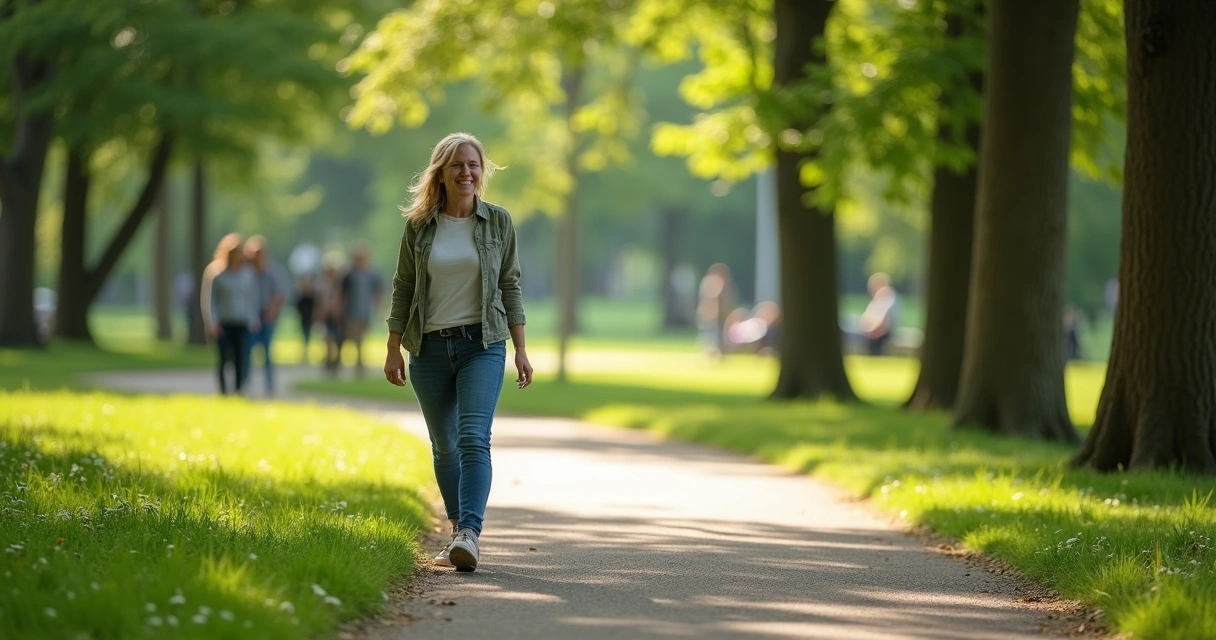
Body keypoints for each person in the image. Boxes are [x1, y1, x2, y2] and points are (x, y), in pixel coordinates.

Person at [383, 132, 532, 573]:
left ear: (481, 172)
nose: (467, 173)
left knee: (472, 437)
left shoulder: (498, 222)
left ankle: (470, 532)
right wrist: (393, 348)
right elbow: (403, 287)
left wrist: (521, 348)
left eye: (473, 165)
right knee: (445, 445)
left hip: (482, 344)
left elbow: (511, 285)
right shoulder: (419, 226)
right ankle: (455, 532)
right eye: (457, 166)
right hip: (428, 347)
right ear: (442, 174)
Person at [200, 234, 259, 395]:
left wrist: (253, 319)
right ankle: (223, 391)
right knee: (223, 358)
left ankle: (239, 389)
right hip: (223, 322)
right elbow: (209, 300)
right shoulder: (215, 273)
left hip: (242, 322)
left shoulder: (247, 274)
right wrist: (212, 323)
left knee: (241, 358)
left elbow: (252, 299)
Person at [242, 235, 289, 396]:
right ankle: (245, 383)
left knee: (267, 353)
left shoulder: (273, 271)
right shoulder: (245, 271)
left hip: (267, 317)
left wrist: (272, 311)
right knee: (247, 351)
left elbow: (280, 293)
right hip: (249, 318)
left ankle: (270, 386)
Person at [340, 242, 384, 377]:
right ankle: (357, 365)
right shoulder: (349, 275)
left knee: (360, 339)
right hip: (351, 312)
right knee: (354, 338)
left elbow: (378, 292)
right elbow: (343, 294)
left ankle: (359, 365)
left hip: (365, 312)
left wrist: (378, 307)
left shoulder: (371, 275)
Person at [696, 263, 737, 359]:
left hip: (722, 316)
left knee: (720, 336)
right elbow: (709, 300)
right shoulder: (710, 283)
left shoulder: (727, 286)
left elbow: (730, 302)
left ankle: (720, 353)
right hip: (710, 316)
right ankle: (710, 353)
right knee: (709, 336)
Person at [859, 272, 899, 356]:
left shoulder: (888, 297)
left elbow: (884, 319)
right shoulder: (879, 298)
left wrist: (872, 330)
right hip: (872, 333)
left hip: (880, 335)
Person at [294, 274, 317, 364]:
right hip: (303, 319)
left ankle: (307, 354)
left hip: (310, 319)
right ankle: (304, 354)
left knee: (308, 336)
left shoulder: (312, 296)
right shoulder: (301, 296)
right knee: (304, 337)